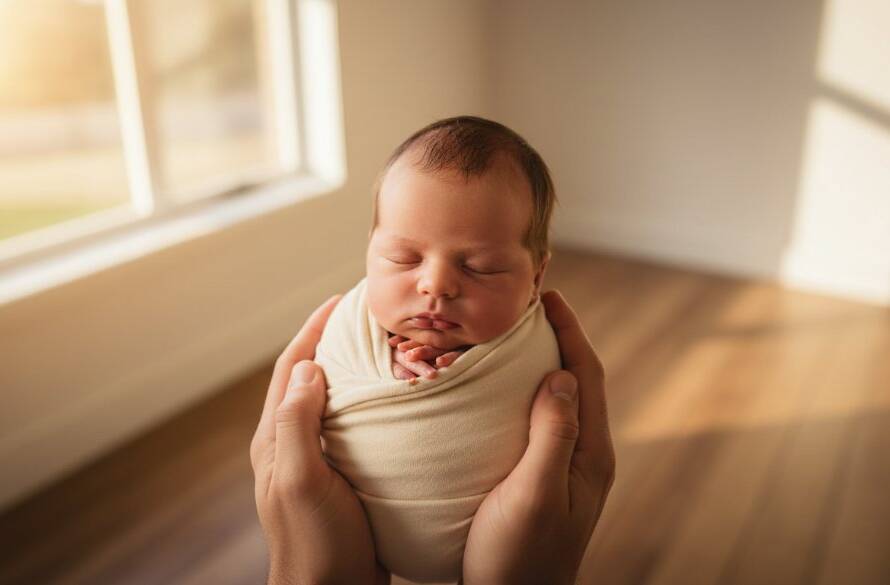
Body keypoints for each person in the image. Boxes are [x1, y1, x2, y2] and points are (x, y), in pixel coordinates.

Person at [250, 288, 616, 584]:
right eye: (403, 257)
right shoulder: (354, 320)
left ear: (536, 274)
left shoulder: (529, 336)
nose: (436, 284)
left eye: (481, 268)